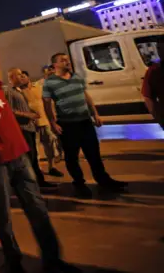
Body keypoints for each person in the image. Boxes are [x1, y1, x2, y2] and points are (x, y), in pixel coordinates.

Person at [0, 23, 78, 273]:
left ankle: (53, 260)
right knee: (3, 215)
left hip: (19, 157)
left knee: (37, 209)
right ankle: (13, 261)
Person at [43, 53, 128, 198]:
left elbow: (85, 95)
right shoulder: (50, 82)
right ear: (55, 65)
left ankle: (103, 180)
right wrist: (52, 123)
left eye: (67, 60)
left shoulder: (76, 77)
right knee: (71, 156)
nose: (67, 62)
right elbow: (46, 103)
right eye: (63, 60)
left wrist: (95, 113)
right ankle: (79, 183)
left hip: (85, 122)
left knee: (93, 153)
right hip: (67, 124)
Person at [7, 69, 56, 188]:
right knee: (30, 158)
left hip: (30, 127)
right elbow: (9, 110)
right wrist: (28, 115)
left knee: (33, 157)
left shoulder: (20, 91)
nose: (21, 76)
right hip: (22, 128)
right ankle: (33, 183)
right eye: (18, 74)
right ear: (12, 78)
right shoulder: (9, 92)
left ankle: (37, 181)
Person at [19, 71, 63, 177]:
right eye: (20, 77)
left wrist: (53, 118)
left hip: (44, 120)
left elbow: (48, 102)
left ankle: (52, 167)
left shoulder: (39, 86)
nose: (22, 79)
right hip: (31, 124)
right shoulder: (19, 91)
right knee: (35, 148)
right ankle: (37, 169)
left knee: (50, 145)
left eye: (23, 76)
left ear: (28, 77)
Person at [142, 35, 164, 129]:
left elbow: (147, 98)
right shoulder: (153, 71)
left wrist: (159, 119)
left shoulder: (153, 70)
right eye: (159, 48)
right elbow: (148, 97)